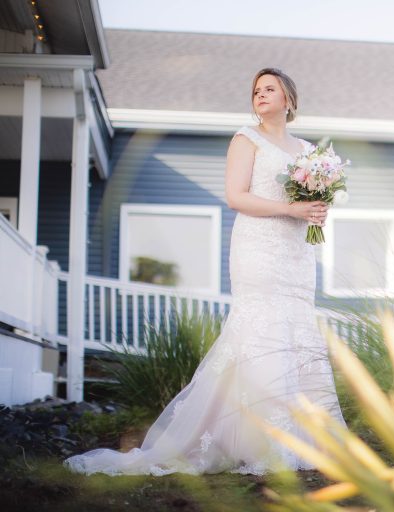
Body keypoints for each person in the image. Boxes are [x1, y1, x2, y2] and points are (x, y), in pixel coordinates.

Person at [64, 68, 345, 476]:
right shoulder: (246, 139)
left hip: (297, 254)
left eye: (271, 89)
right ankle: (267, 442)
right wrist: (291, 208)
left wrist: (316, 209)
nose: (261, 95)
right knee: (262, 330)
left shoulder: (307, 150)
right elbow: (236, 196)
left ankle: (308, 440)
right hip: (258, 249)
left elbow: (308, 200)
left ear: (290, 101)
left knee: (298, 331)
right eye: (256, 91)